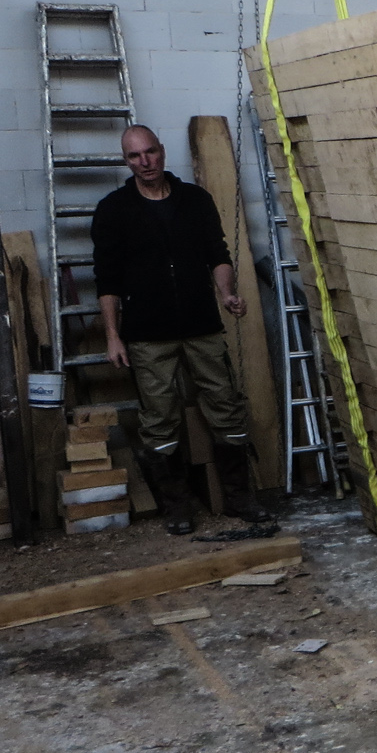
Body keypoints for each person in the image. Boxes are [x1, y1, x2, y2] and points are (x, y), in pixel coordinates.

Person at [91, 124, 273, 535]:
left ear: (162, 150)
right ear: (126, 161)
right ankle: (177, 507)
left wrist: (226, 294)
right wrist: (113, 335)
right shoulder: (114, 210)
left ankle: (239, 497)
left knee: (226, 405)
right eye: (135, 156)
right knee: (159, 419)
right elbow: (108, 279)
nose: (145, 162)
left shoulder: (195, 200)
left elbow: (217, 254)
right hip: (147, 334)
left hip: (201, 325)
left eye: (150, 152)